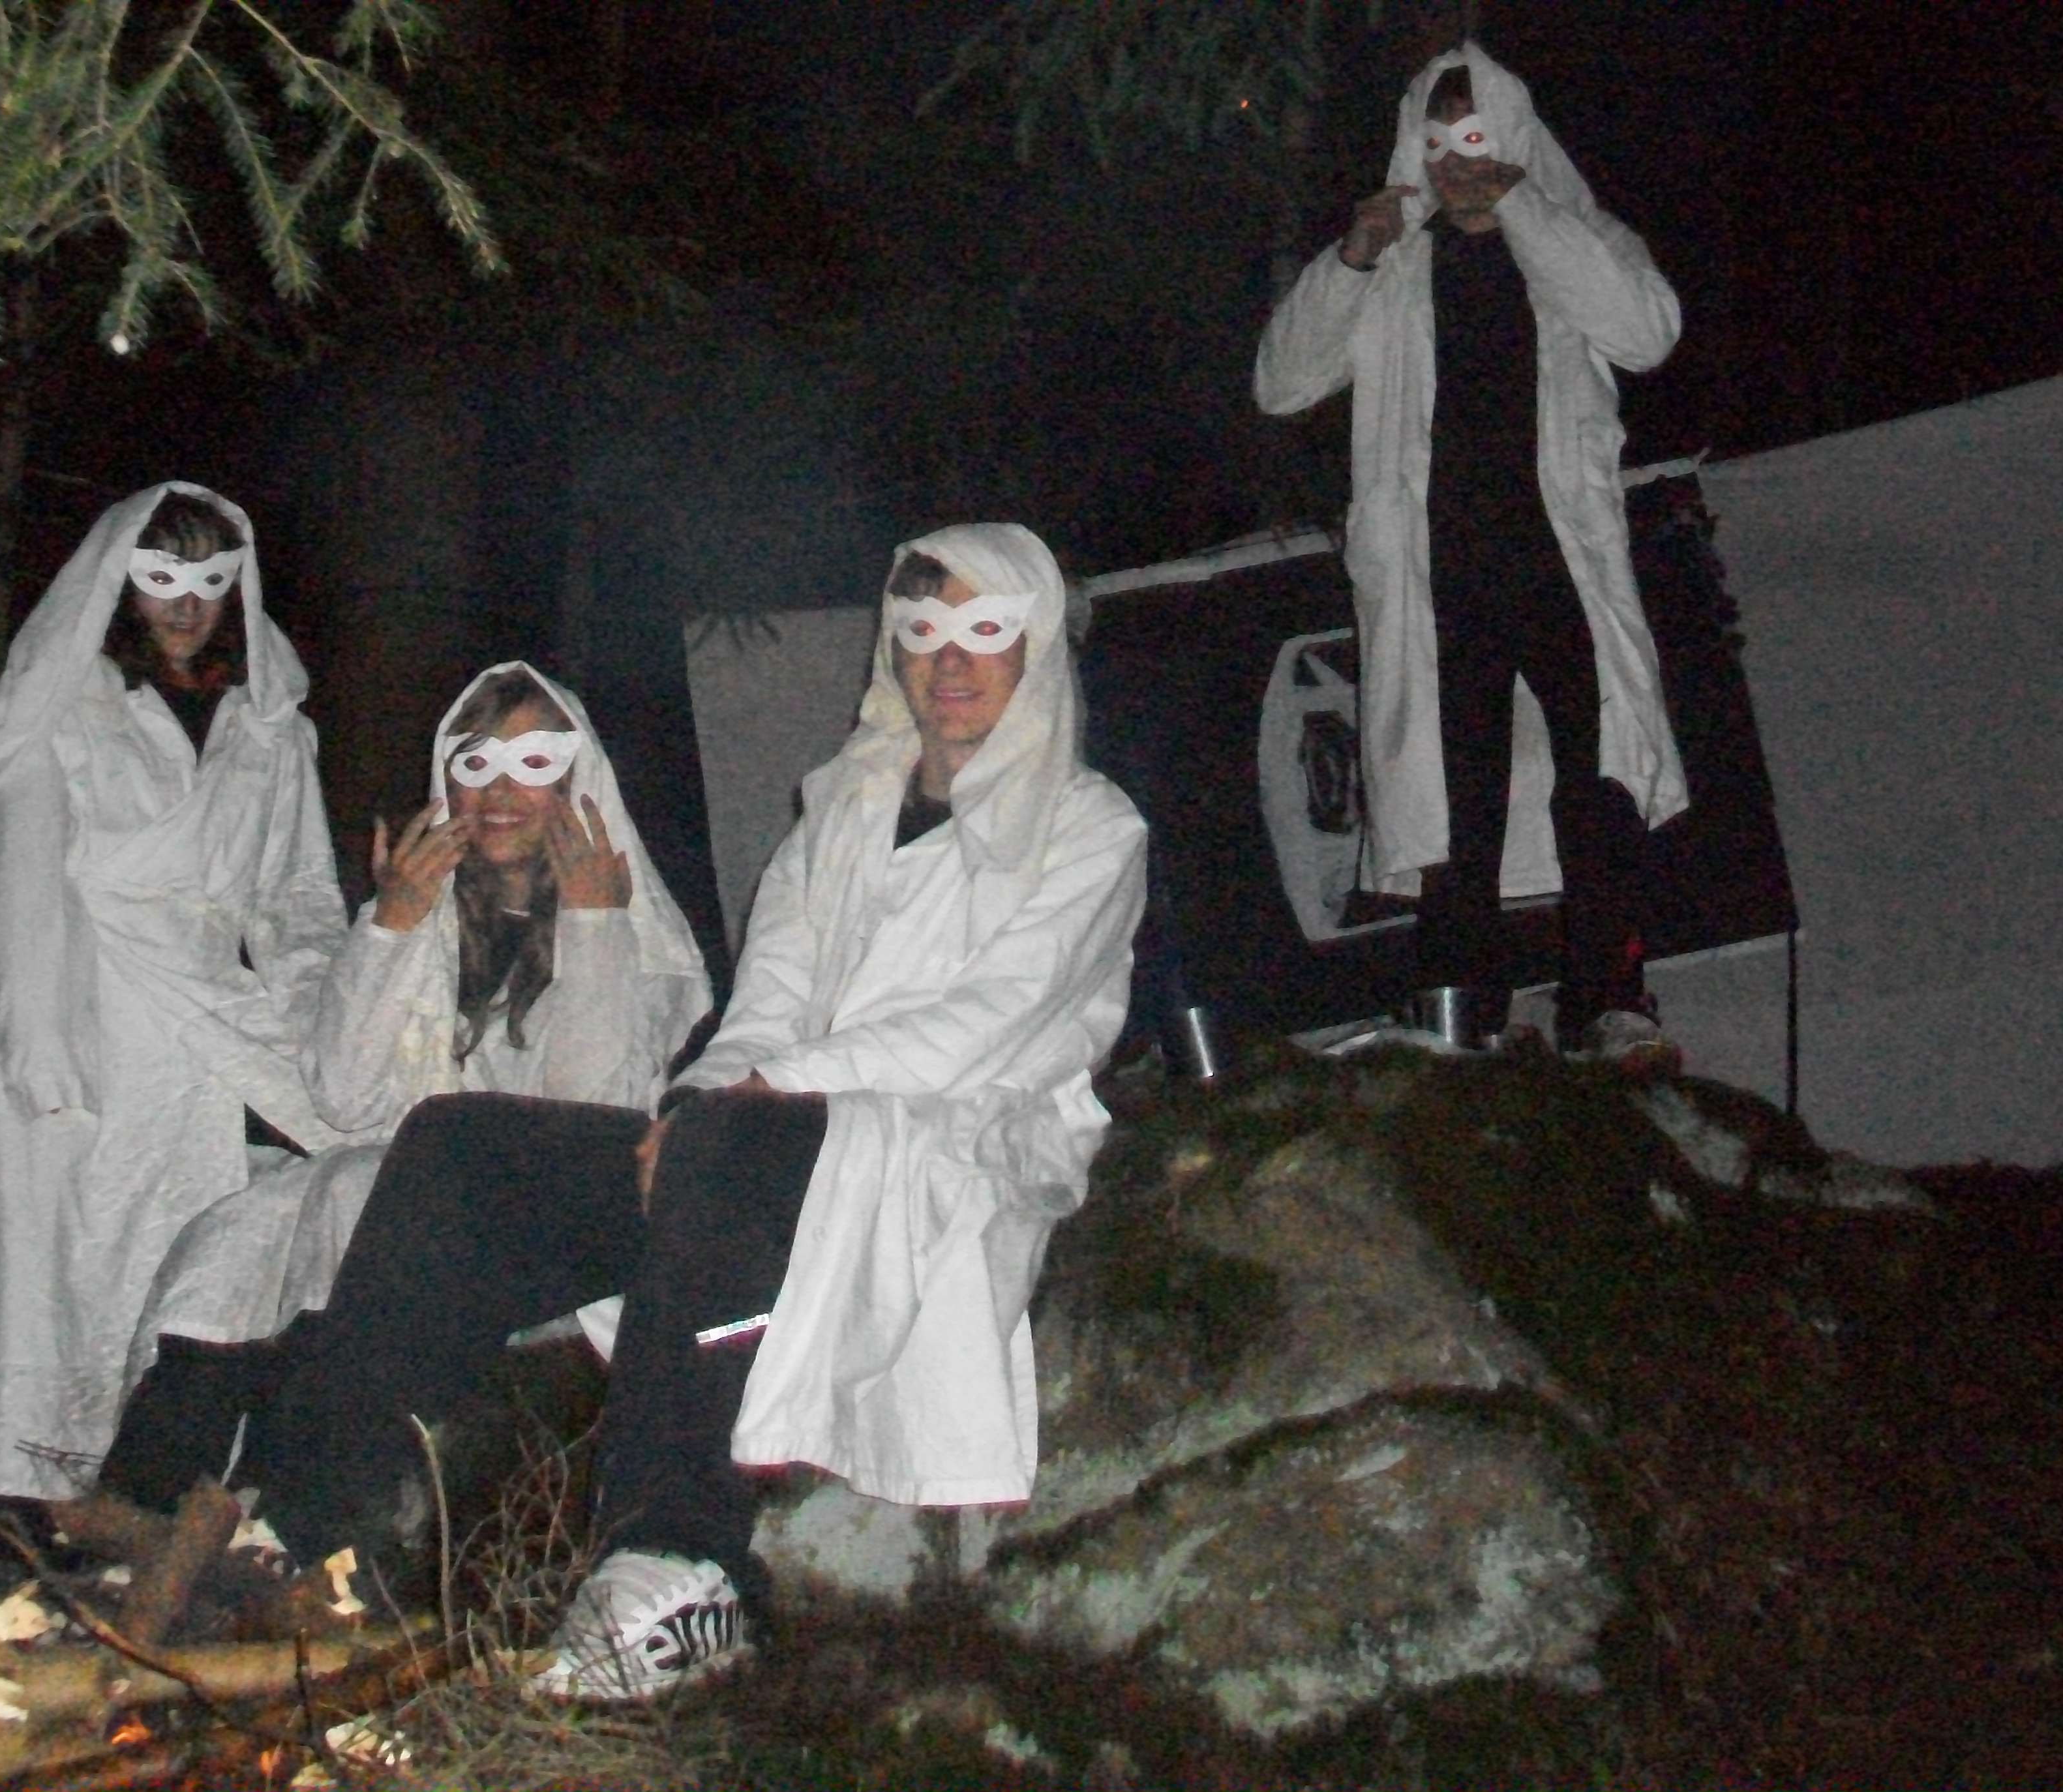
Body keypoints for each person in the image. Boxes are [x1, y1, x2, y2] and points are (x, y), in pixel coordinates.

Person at [233, 522, 1147, 1699]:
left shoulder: (1090, 828)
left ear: (1036, 646)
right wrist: (705, 1099)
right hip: (760, 1138)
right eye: (925, 630)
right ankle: (308, 1526)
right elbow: (765, 1001)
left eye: (986, 630)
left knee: (726, 1138)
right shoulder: (842, 815)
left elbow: (991, 1021)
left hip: (945, 1141)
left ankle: (679, 1558)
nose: (952, 660)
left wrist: (758, 1096)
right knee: (461, 1146)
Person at [99, 663, 712, 1510]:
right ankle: (147, 1500)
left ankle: (288, 1513)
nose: (502, 791)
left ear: (578, 784)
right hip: (411, 1205)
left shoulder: (633, 936)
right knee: (250, 1225)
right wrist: (390, 927)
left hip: (557, 1230)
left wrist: (595, 925)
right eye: (477, 763)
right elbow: (346, 1097)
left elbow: (587, 1115)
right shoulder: (428, 921)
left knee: (356, 1190)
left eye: (534, 762)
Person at [0, 484, 350, 1501]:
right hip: (84, 1010)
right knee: (57, 1274)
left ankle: (158, 1504)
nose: (187, 605)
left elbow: (296, 897)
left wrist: (321, 1025)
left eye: (210, 580)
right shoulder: (64, 707)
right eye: (162, 579)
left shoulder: (268, 726)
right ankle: (19, 1514)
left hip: (215, 1029)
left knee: (194, 1267)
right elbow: (24, 883)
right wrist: (43, 1043)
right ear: (118, 581)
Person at [1254, 42, 1688, 1057]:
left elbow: (1647, 334)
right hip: (1437, 567)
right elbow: (1281, 384)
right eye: (1438, 142)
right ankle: (1460, 1012)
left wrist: (1526, 208)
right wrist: (1353, 258)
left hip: (1560, 556)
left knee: (1597, 778)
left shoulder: (1574, 235)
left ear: (1516, 137)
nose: (1457, 162)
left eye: (1477, 136)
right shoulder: (1395, 266)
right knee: (1458, 797)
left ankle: (1608, 997)